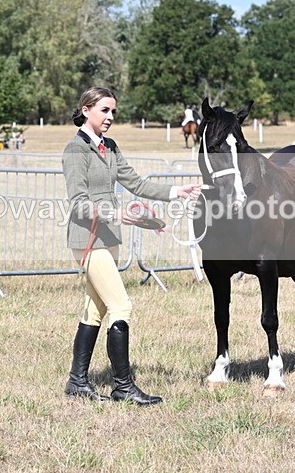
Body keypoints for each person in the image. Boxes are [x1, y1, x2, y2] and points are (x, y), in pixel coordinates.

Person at [62, 86, 201, 406]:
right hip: (87, 240)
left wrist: (177, 191)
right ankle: (123, 386)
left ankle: (76, 382)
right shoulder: (75, 150)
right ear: (86, 110)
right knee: (121, 306)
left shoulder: (109, 147)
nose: (110, 117)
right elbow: (79, 204)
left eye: (113, 111)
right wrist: (118, 213)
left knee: (95, 309)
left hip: (109, 238)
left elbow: (136, 183)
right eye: (104, 111)